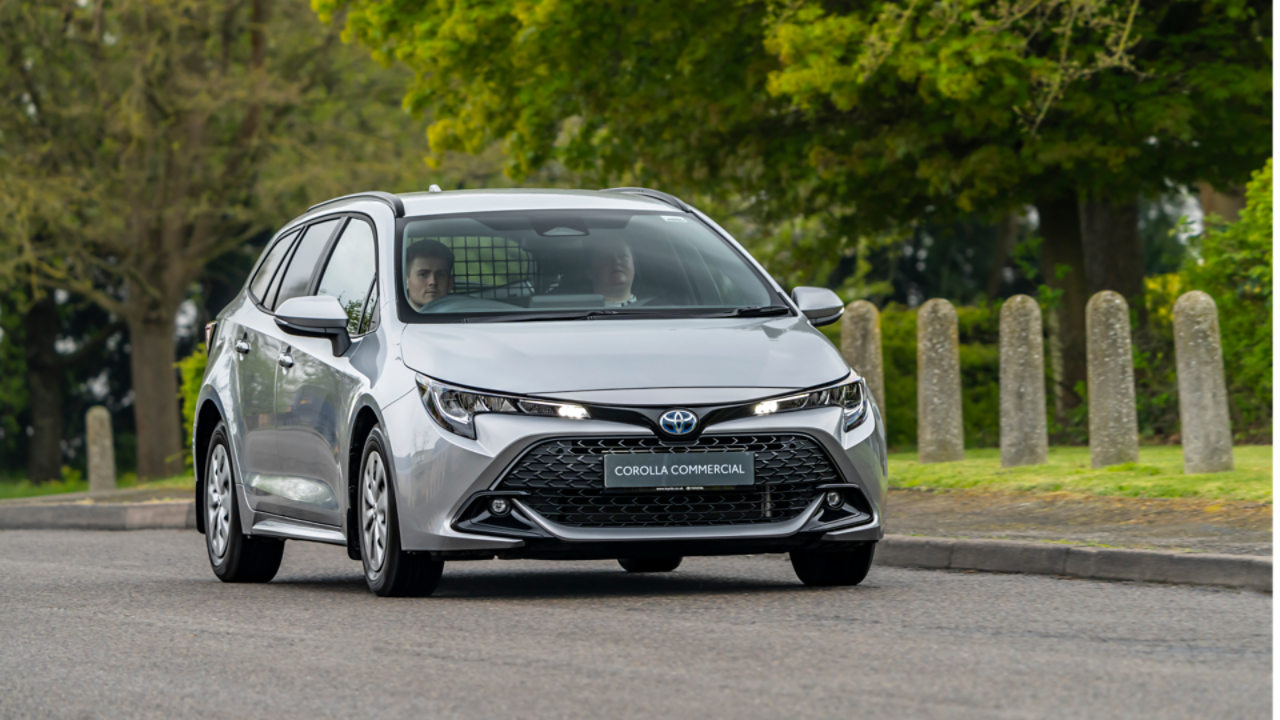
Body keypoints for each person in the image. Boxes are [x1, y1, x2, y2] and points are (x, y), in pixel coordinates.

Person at [405, 239, 455, 310]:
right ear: (405, 280)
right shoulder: (390, 317)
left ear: (450, 283)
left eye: (440, 275)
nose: (433, 282)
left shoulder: (464, 317)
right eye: (423, 274)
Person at [588, 238, 638, 307]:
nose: (616, 261)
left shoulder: (655, 307)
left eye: (622, 256)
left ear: (633, 264)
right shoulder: (575, 311)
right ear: (590, 271)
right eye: (605, 257)